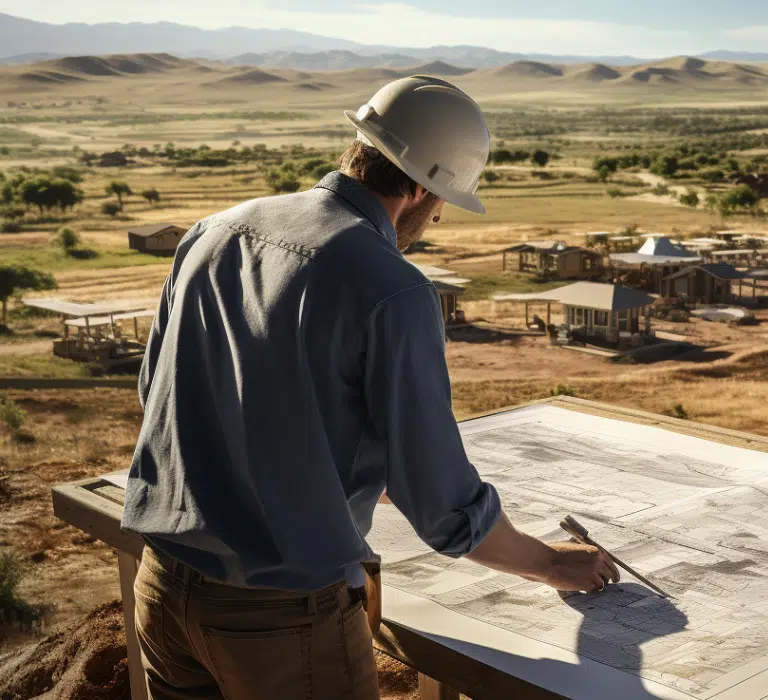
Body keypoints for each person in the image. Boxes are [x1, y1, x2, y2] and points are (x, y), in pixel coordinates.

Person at [121, 76, 618, 700]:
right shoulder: (394, 289)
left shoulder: (212, 233)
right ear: (417, 188)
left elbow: (161, 398)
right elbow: (441, 503)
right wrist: (550, 564)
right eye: (441, 202)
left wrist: (335, 470)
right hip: (279, 621)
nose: (435, 218)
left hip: (161, 590)